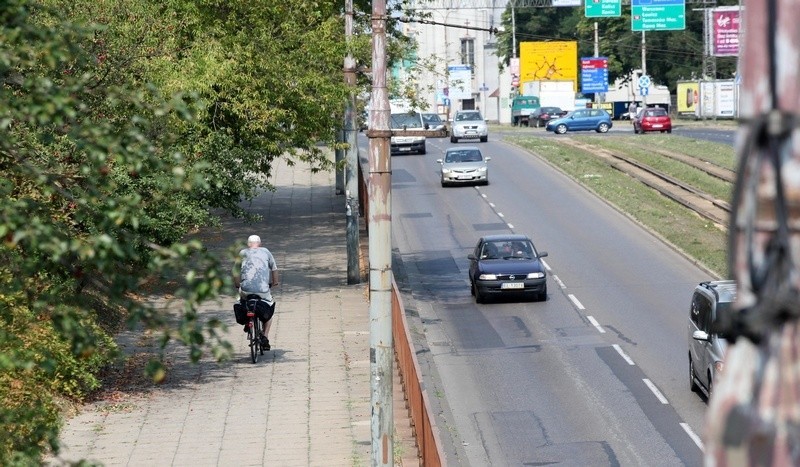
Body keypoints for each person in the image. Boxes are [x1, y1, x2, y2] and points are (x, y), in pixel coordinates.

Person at [233, 234, 280, 350]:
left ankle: (247, 322)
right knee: (269, 307)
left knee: (241, 302)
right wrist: (275, 282)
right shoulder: (266, 252)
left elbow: (235, 271)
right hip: (262, 290)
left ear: (248, 244)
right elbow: (274, 269)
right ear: (260, 244)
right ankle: (265, 335)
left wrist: (237, 284)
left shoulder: (242, 253)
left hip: (246, 290)